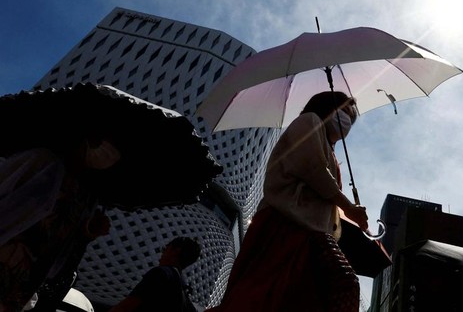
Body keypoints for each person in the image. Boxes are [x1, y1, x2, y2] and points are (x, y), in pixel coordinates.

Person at [207, 91, 369, 312]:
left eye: (351, 116)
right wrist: (349, 207)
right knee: (271, 293)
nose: (347, 120)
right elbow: (314, 170)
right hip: (286, 226)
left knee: (285, 297)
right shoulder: (309, 122)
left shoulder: (331, 152)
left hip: (307, 233)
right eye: (344, 111)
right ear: (327, 107)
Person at [0, 136, 119, 312]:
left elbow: (62, 247)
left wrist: (87, 234)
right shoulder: (42, 161)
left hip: (20, 279)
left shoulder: (86, 195)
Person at [109, 236, 201, 312]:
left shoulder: (160, 274)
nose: (162, 253)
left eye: (165, 248)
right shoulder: (183, 289)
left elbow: (125, 307)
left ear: (175, 251)